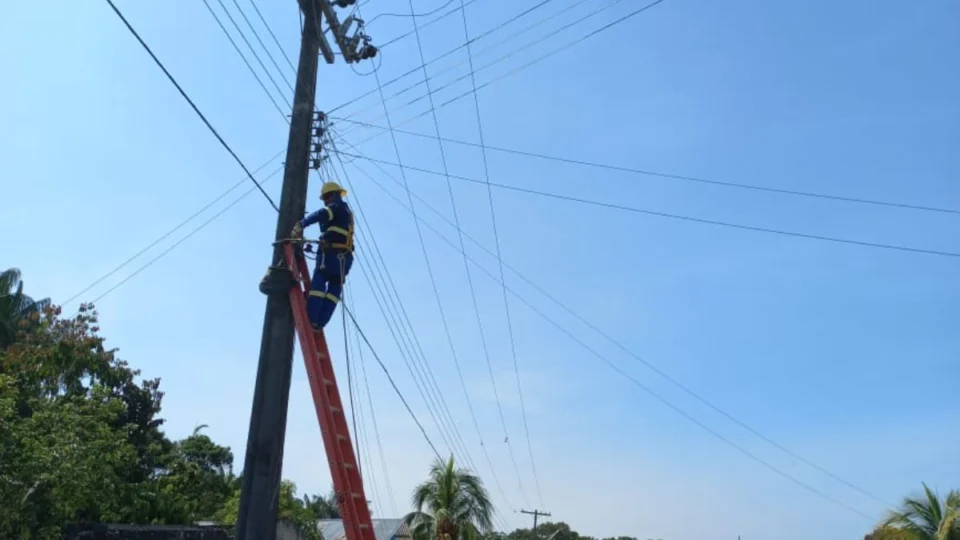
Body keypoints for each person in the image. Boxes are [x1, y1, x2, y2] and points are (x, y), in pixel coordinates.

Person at [291, 181, 354, 330]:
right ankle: (320, 323)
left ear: (333, 195)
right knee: (334, 289)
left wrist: (301, 224)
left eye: (326, 197)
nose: (325, 201)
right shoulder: (347, 212)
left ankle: (312, 318)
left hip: (331, 255)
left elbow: (321, 214)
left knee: (319, 281)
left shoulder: (335, 208)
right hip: (345, 258)